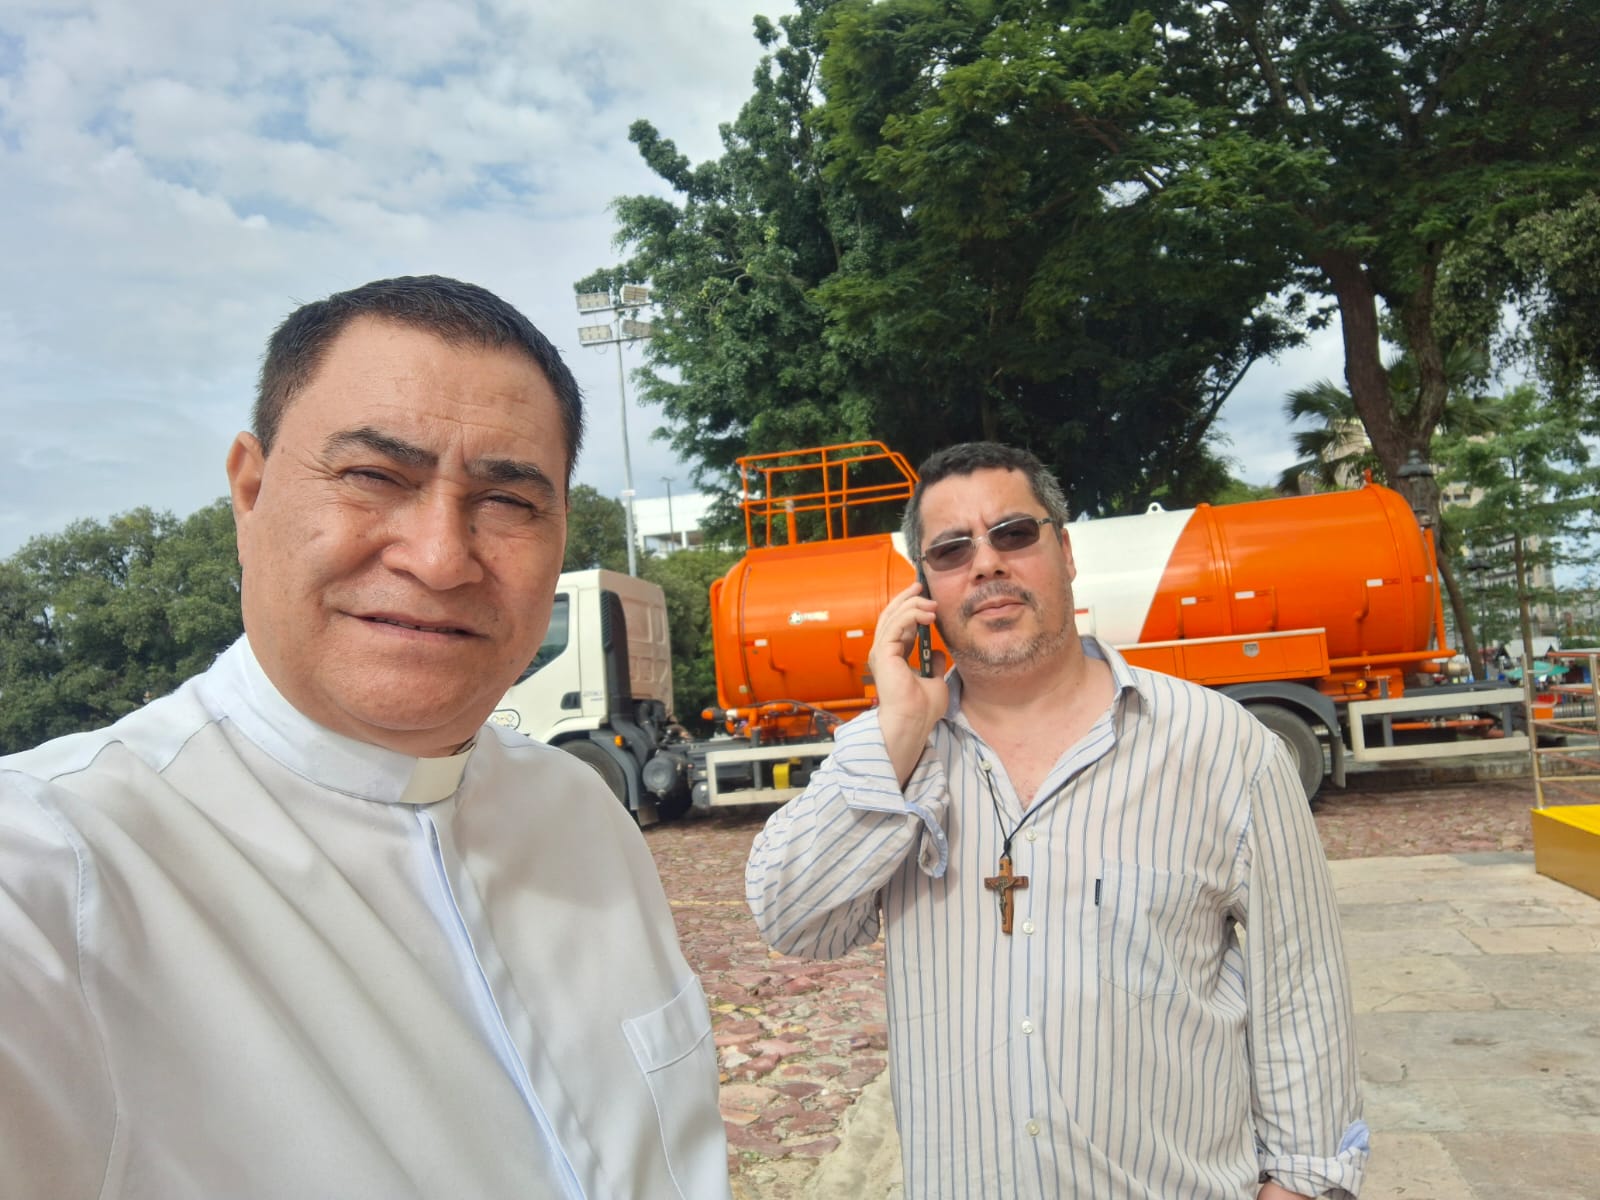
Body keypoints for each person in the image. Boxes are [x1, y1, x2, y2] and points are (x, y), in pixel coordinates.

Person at [0, 276, 730, 1199]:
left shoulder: (581, 812)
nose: (439, 556)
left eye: (507, 500)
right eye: (375, 477)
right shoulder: (63, 869)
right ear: (251, 493)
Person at [747, 442, 1368, 1199]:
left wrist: (1303, 1184)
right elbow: (791, 918)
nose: (985, 565)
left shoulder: (1222, 748)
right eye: (950, 550)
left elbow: (1299, 990)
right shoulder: (897, 759)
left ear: (1065, 551)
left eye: (1013, 534)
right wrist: (897, 733)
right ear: (925, 592)